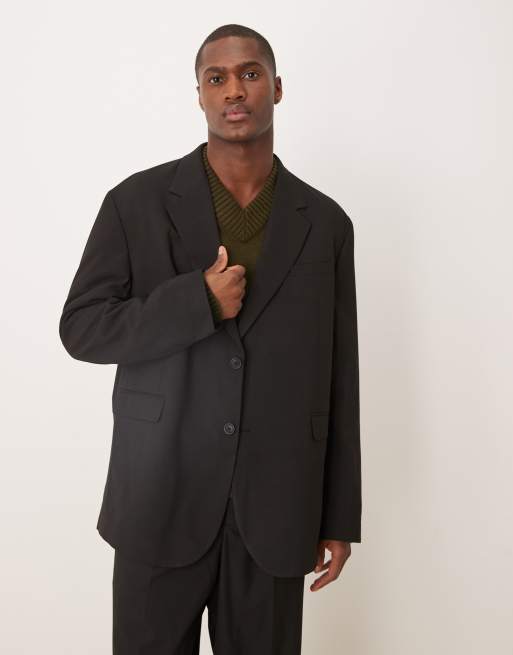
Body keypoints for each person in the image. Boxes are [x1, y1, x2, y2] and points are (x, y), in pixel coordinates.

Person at [59, 23, 362, 655]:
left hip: (277, 508)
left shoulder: (326, 222)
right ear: (199, 94)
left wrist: (338, 515)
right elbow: (82, 327)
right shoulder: (135, 203)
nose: (234, 90)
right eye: (216, 78)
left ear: (277, 88)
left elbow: (340, 377)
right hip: (158, 498)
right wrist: (194, 302)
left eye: (250, 74)